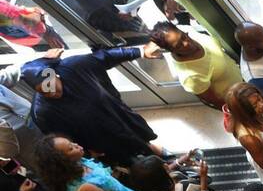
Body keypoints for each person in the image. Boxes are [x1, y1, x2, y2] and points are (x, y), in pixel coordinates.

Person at [20, 48, 160, 167]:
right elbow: (61, 139)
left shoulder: (74, 66)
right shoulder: (43, 112)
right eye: (45, 91)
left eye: (53, 85)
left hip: (119, 116)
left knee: (143, 141)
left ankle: (159, 156)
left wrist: (140, 51)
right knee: (130, 162)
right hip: (101, 139)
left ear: (55, 74)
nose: (53, 92)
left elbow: (106, 57)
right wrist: (87, 152)